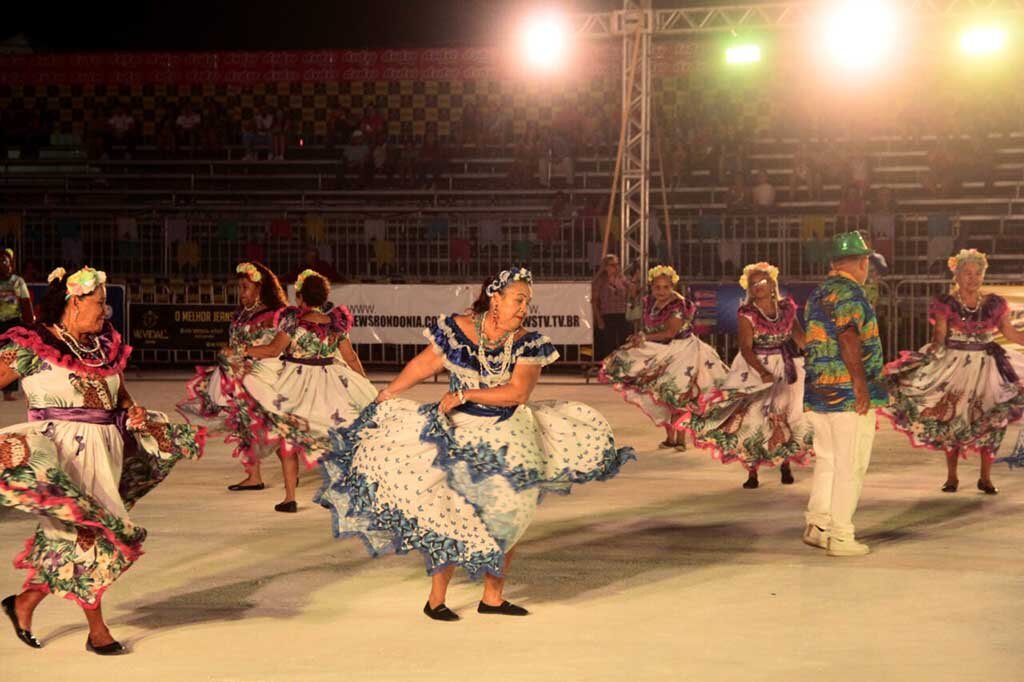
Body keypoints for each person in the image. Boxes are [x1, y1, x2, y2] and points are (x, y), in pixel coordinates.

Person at [316, 267, 635, 621]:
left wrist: (465, 392)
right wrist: (387, 394)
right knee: (452, 514)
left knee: (512, 513)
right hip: (461, 431)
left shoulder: (529, 341)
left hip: (511, 434)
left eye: (527, 301)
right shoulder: (459, 331)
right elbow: (424, 364)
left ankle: (492, 598)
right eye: (518, 300)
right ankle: (436, 600)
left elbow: (518, 393)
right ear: (495, 300)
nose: (524, 308)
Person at [0, 266, 205, 655]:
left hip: (104, 454)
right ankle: (98, 631)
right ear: (74, 302)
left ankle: (24, 603)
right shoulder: (33, 345)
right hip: (62, 459)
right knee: (96, 536)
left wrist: (133, 412)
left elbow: (120, 395)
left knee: (73, 540)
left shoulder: (101, 345)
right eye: (98, 303)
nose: (105, 311)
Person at [225, 270, 376, 512]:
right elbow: (351, 357)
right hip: (331, 381)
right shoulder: (336, 323)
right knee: (331, 437)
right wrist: (365, 384)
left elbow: (273, 350)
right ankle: (332, 492)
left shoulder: (293, 321)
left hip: (297, 382)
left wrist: (243, 351)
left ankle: (290, 498)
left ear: (300, 298)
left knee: (288, 437)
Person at [883, 249, 1024, 494]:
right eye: (967, 273)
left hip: (987, 366)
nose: (973, 278)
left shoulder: (995, 304)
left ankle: (985, 478)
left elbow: (1010, 334)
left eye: (977, 273)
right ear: (956, 276)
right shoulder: (947, 304)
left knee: (991, 418)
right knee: (953, 418)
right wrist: (926, 357)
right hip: (955, 365)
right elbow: (939, 336)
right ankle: (952, 477)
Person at [684, 262, 811, 488]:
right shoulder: (747, 314)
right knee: (753, 418)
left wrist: (816, 353)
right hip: (755, 368)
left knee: (783, 415)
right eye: (753, 284)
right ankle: (752, 471)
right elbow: (745, 346)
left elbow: (799, 336)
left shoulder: (787, 308)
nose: (758, 286)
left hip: (785, 367)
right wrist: (762, 371)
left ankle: (785, 464)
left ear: (772, 284)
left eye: (762, 282)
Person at [801, 232, 887, 557]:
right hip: (846, 394)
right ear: (863, 263)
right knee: (850, 464)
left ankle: (818, 524)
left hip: (818, 391)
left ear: (834, 262)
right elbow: (848, 336)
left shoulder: (818, 293)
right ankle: (841, 536)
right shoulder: (852, 293)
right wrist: (860, 383)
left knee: (828, 459)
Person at [177, 262, 287, 488]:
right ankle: (255, 476)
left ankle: (288, 471)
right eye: (240, 287)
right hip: (239, 374)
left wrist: (240, 352)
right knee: (243, 424)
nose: (241, 293)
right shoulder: (242, 313)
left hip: (262, 374)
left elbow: (272, 348)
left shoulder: (273, 315)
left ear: (260, 288)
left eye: (246, 287)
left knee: (270, 424)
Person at [599, 265, 727, 449]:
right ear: (651, 287)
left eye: (666, 287)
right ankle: (670, 438)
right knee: (660, 394)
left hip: (683, 351)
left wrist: (643, 337)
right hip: (662, 350)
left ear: (673, 286)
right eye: (657, 287)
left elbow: (671, 331)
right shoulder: (650, 302)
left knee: (678, 394)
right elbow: (647, 324)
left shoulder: (678, 304)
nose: (661, 291)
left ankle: (681, 440)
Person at [0, 249, 34, 401]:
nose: (2, 265)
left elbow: (26, 303)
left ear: (11, 264)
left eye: (5, 262)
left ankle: (8, 391)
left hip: (12, 323)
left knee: (11, 356)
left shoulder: (17, 281)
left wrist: (29, 324)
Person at [591, 255, 632, 365]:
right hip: (607, 315)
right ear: (605, 267)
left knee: (624, 341)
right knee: (609, 343)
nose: (616, 267)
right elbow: (594, 301)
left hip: (622, 314)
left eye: (617, 264)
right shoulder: (599, 281)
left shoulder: (621, 278)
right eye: (613, 265)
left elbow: (632, 290)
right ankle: (609, 367)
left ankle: (623, 365)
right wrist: (599, 319)